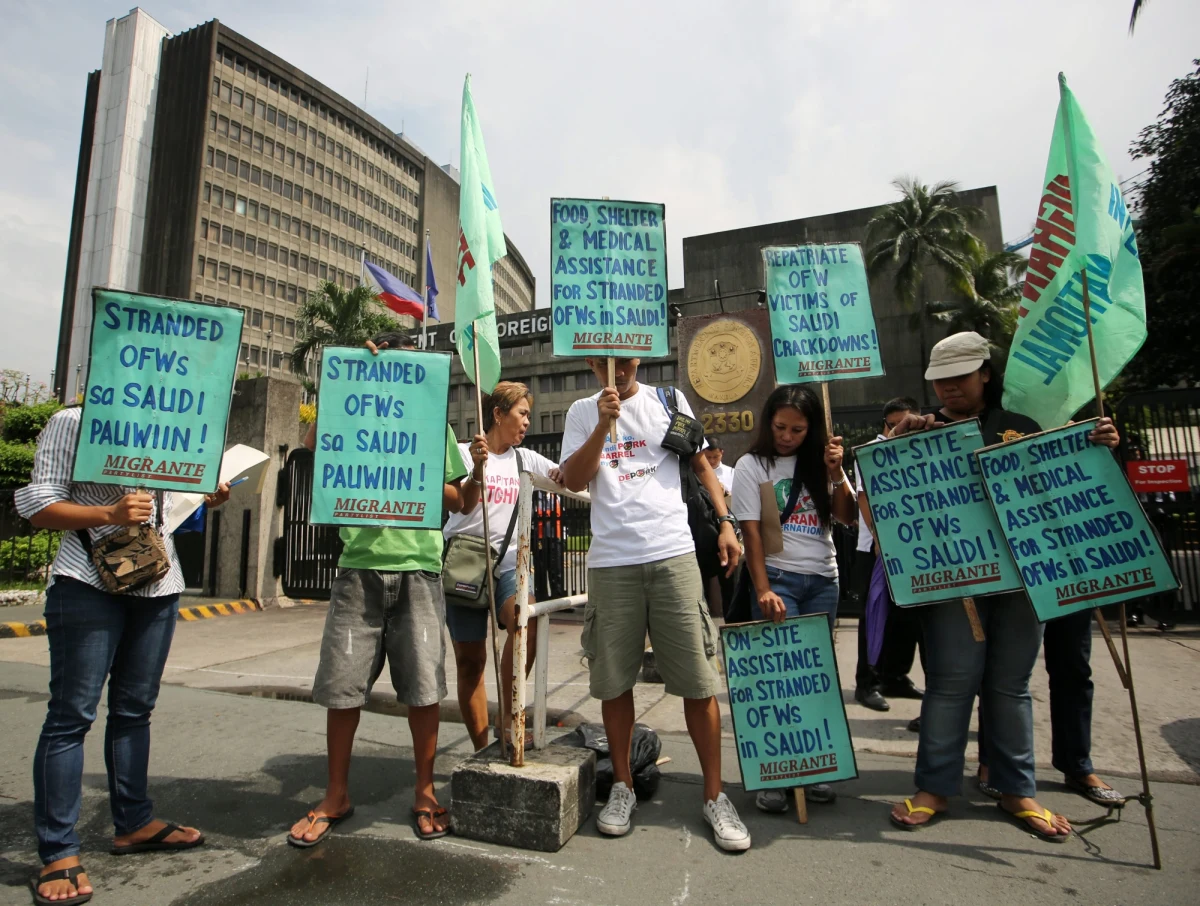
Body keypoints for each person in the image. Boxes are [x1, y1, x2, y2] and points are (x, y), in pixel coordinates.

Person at [885, 331, 1120, 842]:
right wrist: (894, 440)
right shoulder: (920, 431)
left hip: (1023, 581)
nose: (949, 388)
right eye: (940, 380)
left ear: (986, 374)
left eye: (960, 377)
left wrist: (1095, 447)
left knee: (1011, 686)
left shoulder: (1022, 428)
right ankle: (934, 788)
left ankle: (1017, 789)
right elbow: (886, 488)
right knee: (950, 684)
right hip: (956, 585)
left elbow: (1064, 483)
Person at [15, 406, 232, 905]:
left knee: (135, 710)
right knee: (71, 715)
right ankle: (58, 851)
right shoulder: (74, 421)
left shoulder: (173, 428)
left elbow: (165, 511)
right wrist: (108, 514)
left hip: (159, 583)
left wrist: (206, 497)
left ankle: (134, 822)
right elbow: (38, 505)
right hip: (87, 582)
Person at [289, 333, 475, 847]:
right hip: (359, 567)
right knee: (342, 686)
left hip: (419, 568)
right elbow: (311, 449)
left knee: (424, 687)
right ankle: (336, 794)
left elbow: (459, 500)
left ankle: (424, 791)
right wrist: (342, 382)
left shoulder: (432, 422)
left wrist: (418, 473)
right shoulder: (350, 412)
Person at [559, 357, 750, 851]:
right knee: (614, 681)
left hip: (673, 554)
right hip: (611, 562)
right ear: (591, 362)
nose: (618, 369)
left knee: (698, 681)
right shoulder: (581, 411)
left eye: (626, 359)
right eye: (608, 361)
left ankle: (714, 795)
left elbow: (701, 463)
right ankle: (622, 786)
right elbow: (574, 480)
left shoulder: (669, 400)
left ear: (639, 356)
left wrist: (726, 523)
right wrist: (602, 424)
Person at [731, 385, 857, 811]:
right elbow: (751, 534)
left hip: (823, 580)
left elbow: (846, 517)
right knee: (777, 679)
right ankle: (775, 774)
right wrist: (763, 588)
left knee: (814, 679)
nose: (787, 436)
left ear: (812, 428)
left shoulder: (824, 460)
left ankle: (813, 768)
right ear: (768, 422)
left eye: (797, 430)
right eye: (780, 426)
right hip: (778, 578)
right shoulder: (752, 465)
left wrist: (836, 473)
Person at [443, 381, 561, 750]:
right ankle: (481, 748)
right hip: (466, 562)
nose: (527, 422)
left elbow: (567, 476)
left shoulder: (528, 460)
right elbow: (460, 503)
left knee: (527, 620)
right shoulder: (464, 454)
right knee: (470, 661)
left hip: (511, 564)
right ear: (497, 414)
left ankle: (509, 718)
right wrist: (477, 469)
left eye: (528, 415)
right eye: (522, 414)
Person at [853, 397, 927, 719]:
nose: (901, 429)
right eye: (895, 424)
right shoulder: (871, 452)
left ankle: (895, 676)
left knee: (908, 619)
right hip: (877, 549)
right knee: (874, 616)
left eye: (908, 422)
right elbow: (864, 497)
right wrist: (879, 537)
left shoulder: (921, 449)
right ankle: (867, 682)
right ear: (885, 424)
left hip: (914, 548)